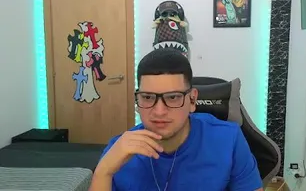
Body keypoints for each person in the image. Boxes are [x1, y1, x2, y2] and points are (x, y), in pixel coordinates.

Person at [91, 49, 261, 191]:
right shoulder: (118, 151)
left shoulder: (228, 139)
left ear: (192, 100)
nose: (159, 112)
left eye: (173, 97)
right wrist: (103, 172)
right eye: (148, 97)